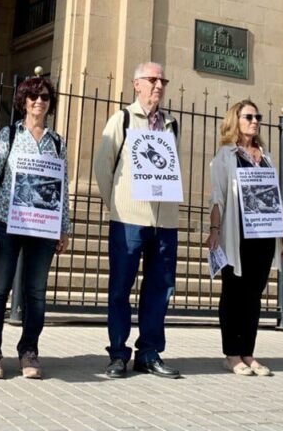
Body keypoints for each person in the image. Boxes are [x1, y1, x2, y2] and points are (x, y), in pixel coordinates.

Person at [0, 74, 70, 380]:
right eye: (33, 96)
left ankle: (29, 350)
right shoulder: (9, 135)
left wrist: (64, 227)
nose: (39, 101)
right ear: (23, 101)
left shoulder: (57, 142)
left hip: (44, 227)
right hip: (7, 221)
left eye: (44, 97)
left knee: (36, 292)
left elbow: (63, 186)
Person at [94, 62, 181, 379]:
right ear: (136, 84)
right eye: (152, 79)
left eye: (163, 80)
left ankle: (149, 353)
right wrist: (117, 205)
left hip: (165, 222)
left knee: (160, 289)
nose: (158, 85)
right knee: (121, 288)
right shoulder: (123, 119)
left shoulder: (171, 124)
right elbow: (103, 166)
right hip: (128, 219)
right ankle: (118, 354)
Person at [206, 100, 283, 376]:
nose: (255, 121)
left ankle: (248, 352)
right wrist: (214, 230)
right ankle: (232, 354)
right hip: (237, 234)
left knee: (254, 295)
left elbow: (275, 199)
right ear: (235, 120)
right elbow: (217, 196)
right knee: (233, 293)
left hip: (264, 235)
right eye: (249, 117)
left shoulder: (265, 156)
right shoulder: (226, 155)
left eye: (258, 117)